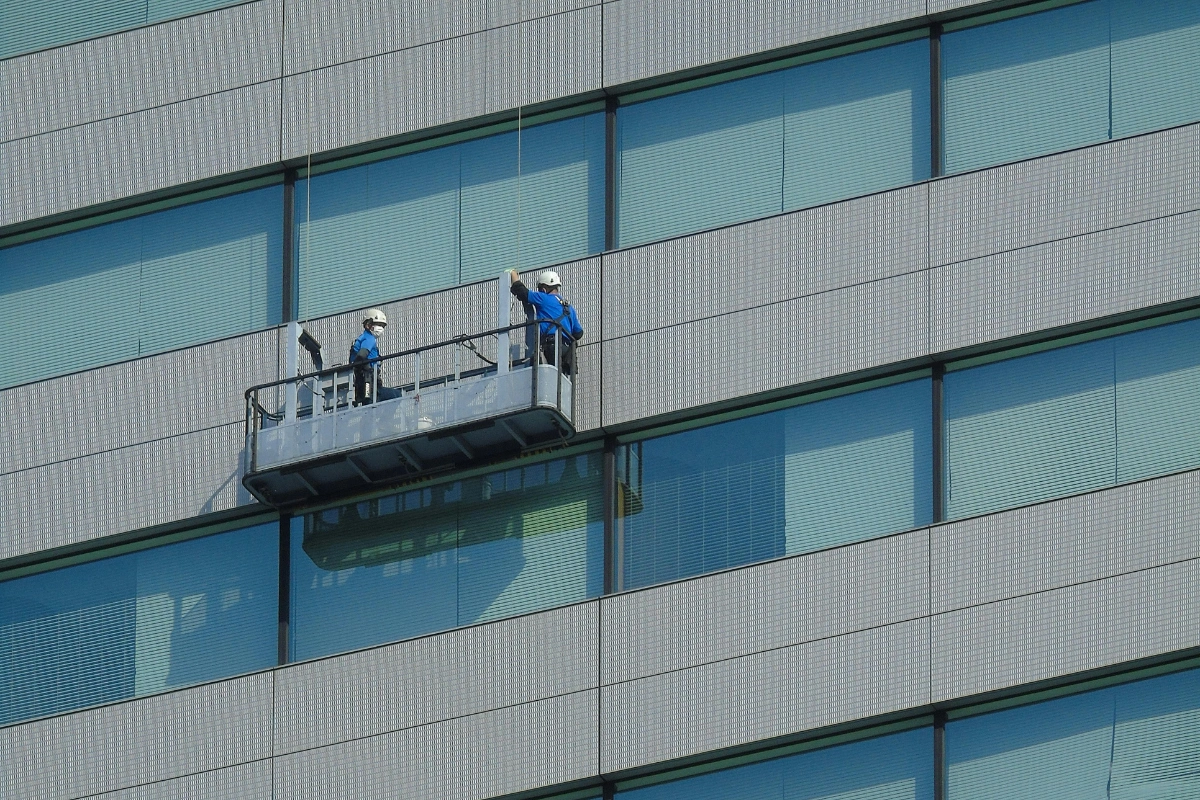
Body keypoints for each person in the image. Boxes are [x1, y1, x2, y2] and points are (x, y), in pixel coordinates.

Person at [508, 269, 584, 374]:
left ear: (543, 289)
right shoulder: (568, 307)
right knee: (560, 379)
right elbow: (578, 332)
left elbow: (522, 292)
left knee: (547, 378)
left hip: (551, 346)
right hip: (566, 350)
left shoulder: (543, 298)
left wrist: (513, 274)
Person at [349, 308, 401, 404]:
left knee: (369, 407)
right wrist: (366, 367)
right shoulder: (369, 338)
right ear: (368, 325)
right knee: (397, 395)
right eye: (378, 325)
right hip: (369, 383)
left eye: (382, 326)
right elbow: (362, 355)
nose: (380, 328)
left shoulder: (361, 339)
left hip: (364, 384)